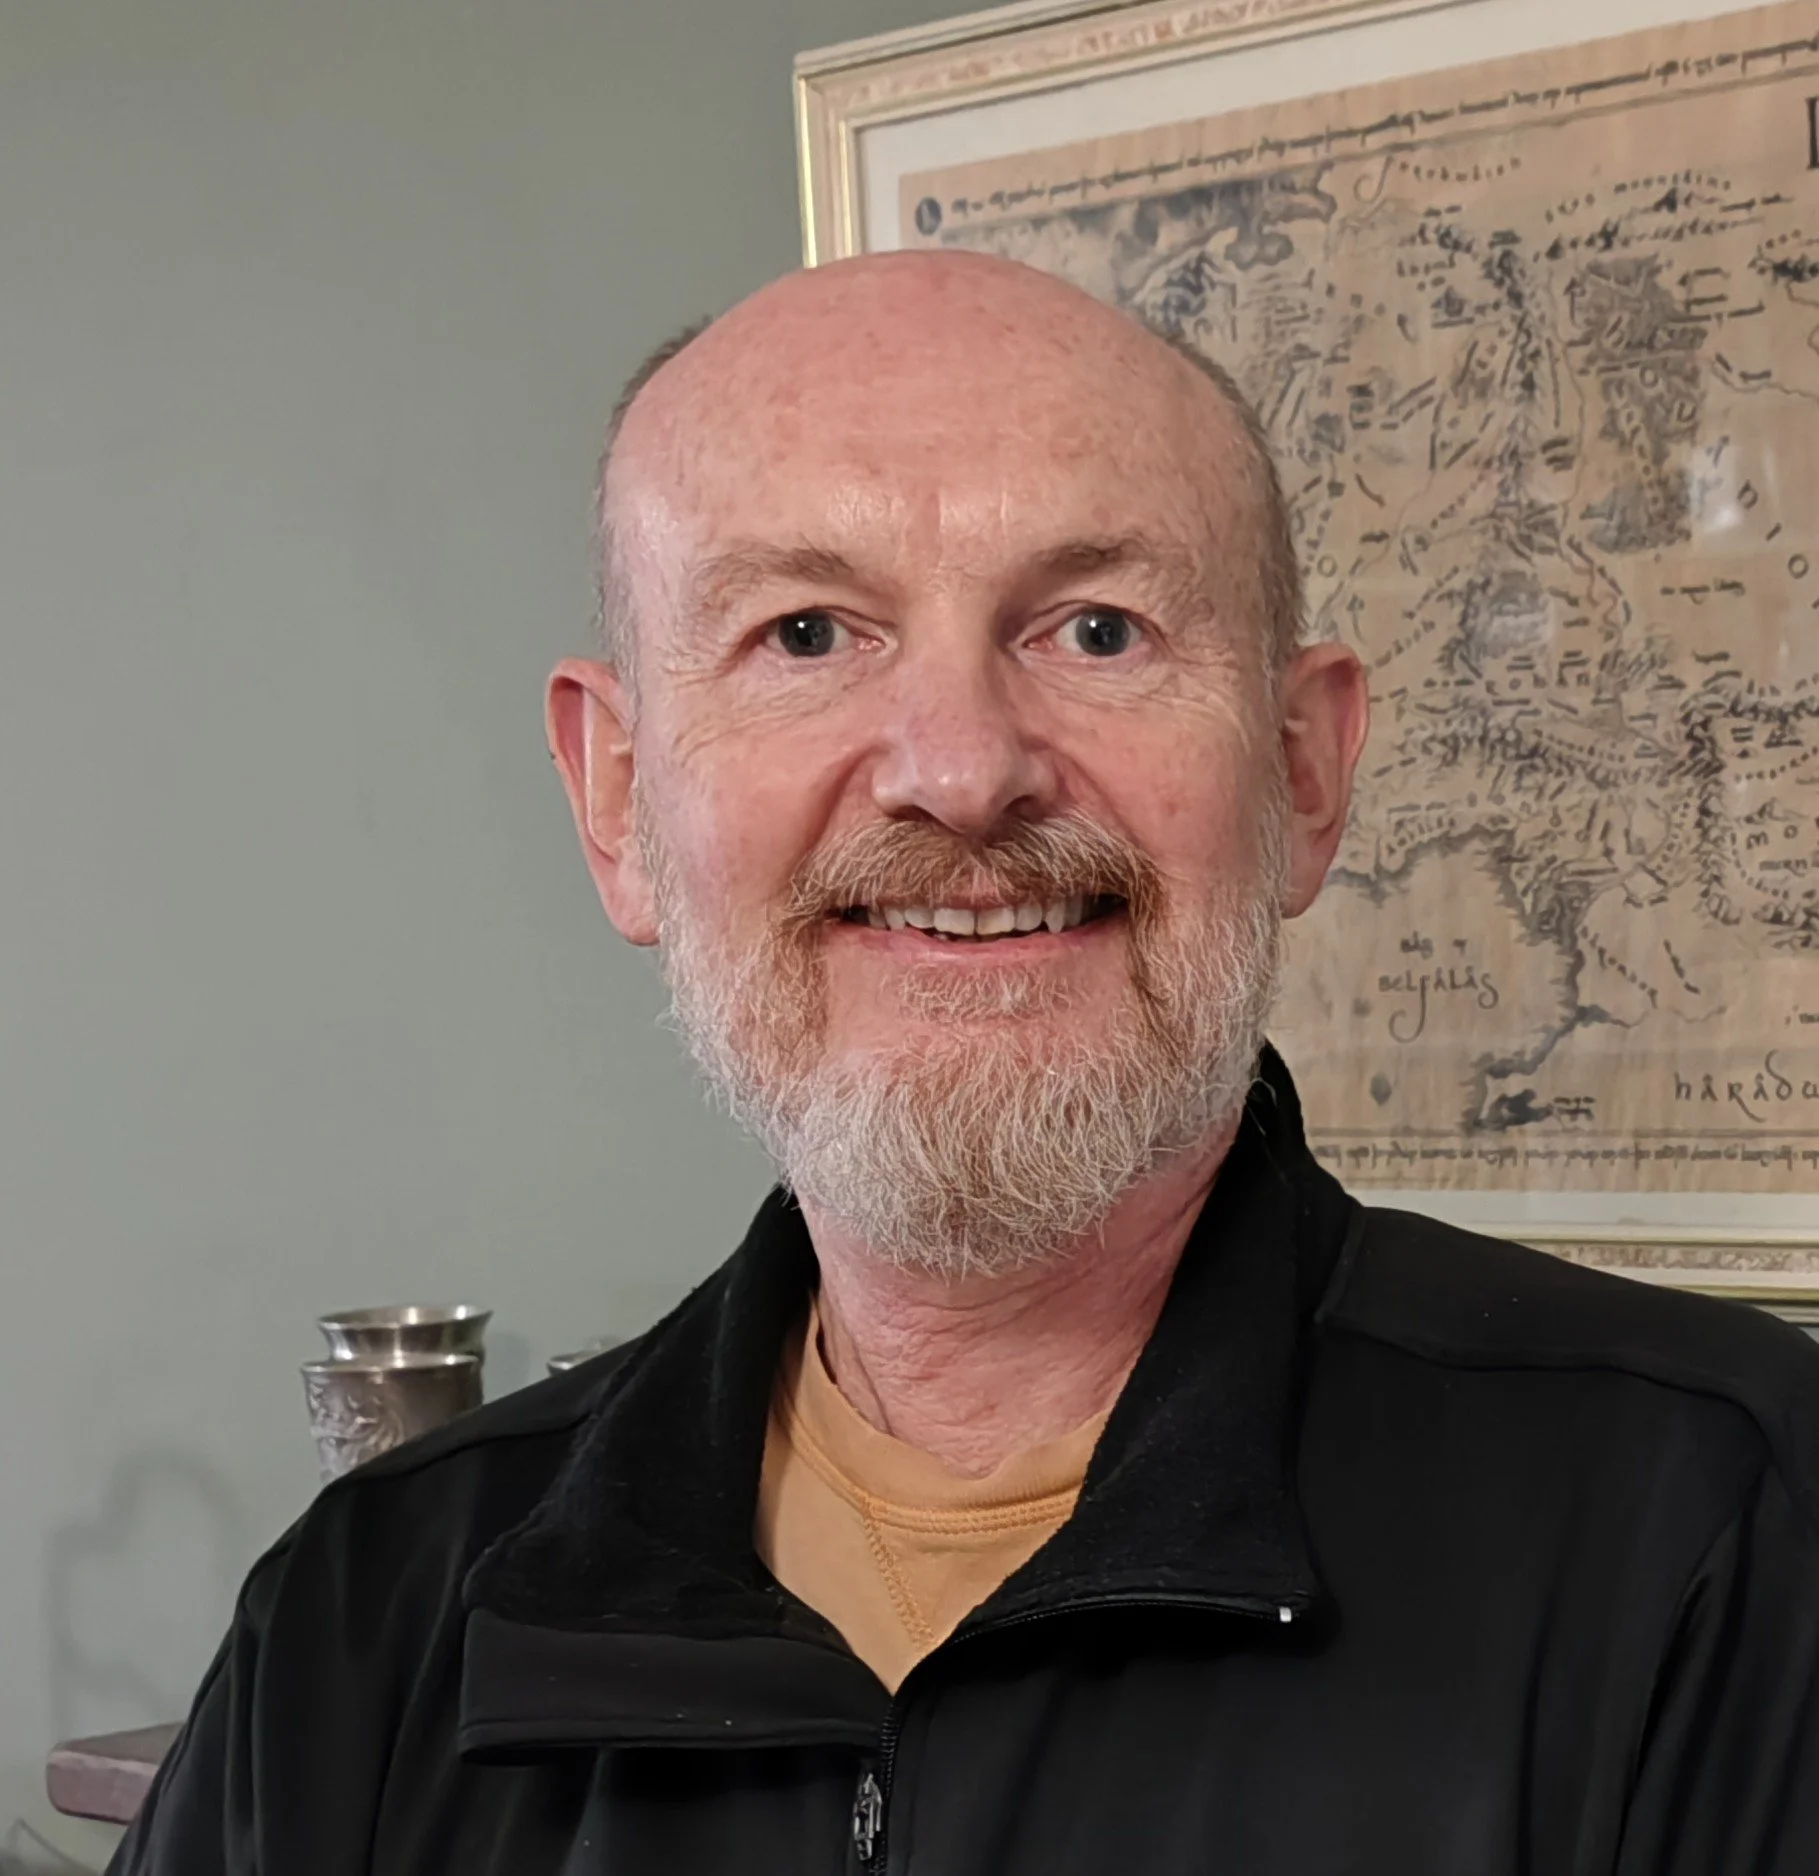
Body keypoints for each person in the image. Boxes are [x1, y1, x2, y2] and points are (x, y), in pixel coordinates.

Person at [112, 252, 1819, 1876]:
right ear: (618, 800)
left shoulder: (1726, 1541)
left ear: (1300, 773)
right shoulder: (364, 1619)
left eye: (1093, 630)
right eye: (804, 632)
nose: (957, 771)